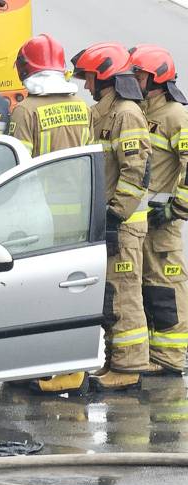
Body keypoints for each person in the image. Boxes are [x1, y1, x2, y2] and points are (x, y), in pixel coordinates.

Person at [9, 34, 95, 394]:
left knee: (39, 296)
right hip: (80, 214)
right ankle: (72, 366)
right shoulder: (82, 106)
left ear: (26, 69)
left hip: (40, 219)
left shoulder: (26, 111)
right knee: (75, 293)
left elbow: (15, 170)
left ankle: (49, 367)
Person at [72, 42, 151, 390]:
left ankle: (129, 366)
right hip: (110, 219)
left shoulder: (126, 113)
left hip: (125, 224)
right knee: (110, 294)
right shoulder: (102, 111)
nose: (86, 86)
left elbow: (136, 172)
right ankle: (116, 361)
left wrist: (116, 215)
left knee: (125, 294)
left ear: (104, 76)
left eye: (89, 78)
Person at [129, 44, 188, 376]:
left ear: (155, 79)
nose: (134, 79)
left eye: (139, 74)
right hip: (143, 220)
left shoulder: (176, 116)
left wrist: (177, 208)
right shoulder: (145, 113)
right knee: (147, 287)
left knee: (167, 286)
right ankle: (155, 352)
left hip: (163, 222)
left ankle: (171, 356)